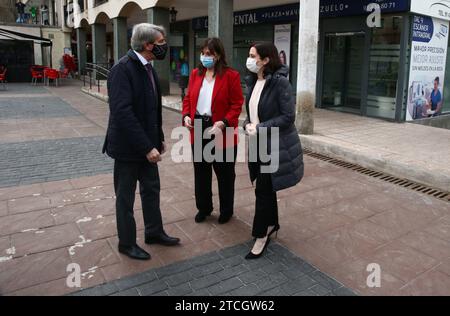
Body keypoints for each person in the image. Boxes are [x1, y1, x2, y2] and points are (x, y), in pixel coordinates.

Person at [103, 23, 180, 261]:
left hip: (149, 145)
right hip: (128, 150)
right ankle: (126, 243)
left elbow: (152, 110)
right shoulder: (122, 70)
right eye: (161, 42)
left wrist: (159, 139)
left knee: (151, 191)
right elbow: (122, 113)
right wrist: (147, 147)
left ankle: (154, 233)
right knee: (125, 198)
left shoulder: (148, 68)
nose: (164, 46)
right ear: (147, 45)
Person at [243, 42, 304, 260]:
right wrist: (247, 125)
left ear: (265, 60)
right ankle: (272, 223)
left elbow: (288, 118)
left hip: (274, 145)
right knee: (264, 187)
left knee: (263, 190)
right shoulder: (252, 81)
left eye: (253, 56)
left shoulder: (280, 84)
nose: (249, 59)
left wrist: (259, 127)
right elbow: (252, 112)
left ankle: (260, 236)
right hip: (256, 143)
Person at [182, 38, 244, 224]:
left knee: (224, 174)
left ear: (218, 55)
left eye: (209, 54)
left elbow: (236, 104)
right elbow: (188, 98)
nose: (205, 57)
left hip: (221, 129)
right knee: (201, 172)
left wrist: (224, 122)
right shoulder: (195, 74)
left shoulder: (231, 75)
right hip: (199, 126)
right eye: (203, 53)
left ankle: (226, 210)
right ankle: (204, 208)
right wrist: (186, 115)